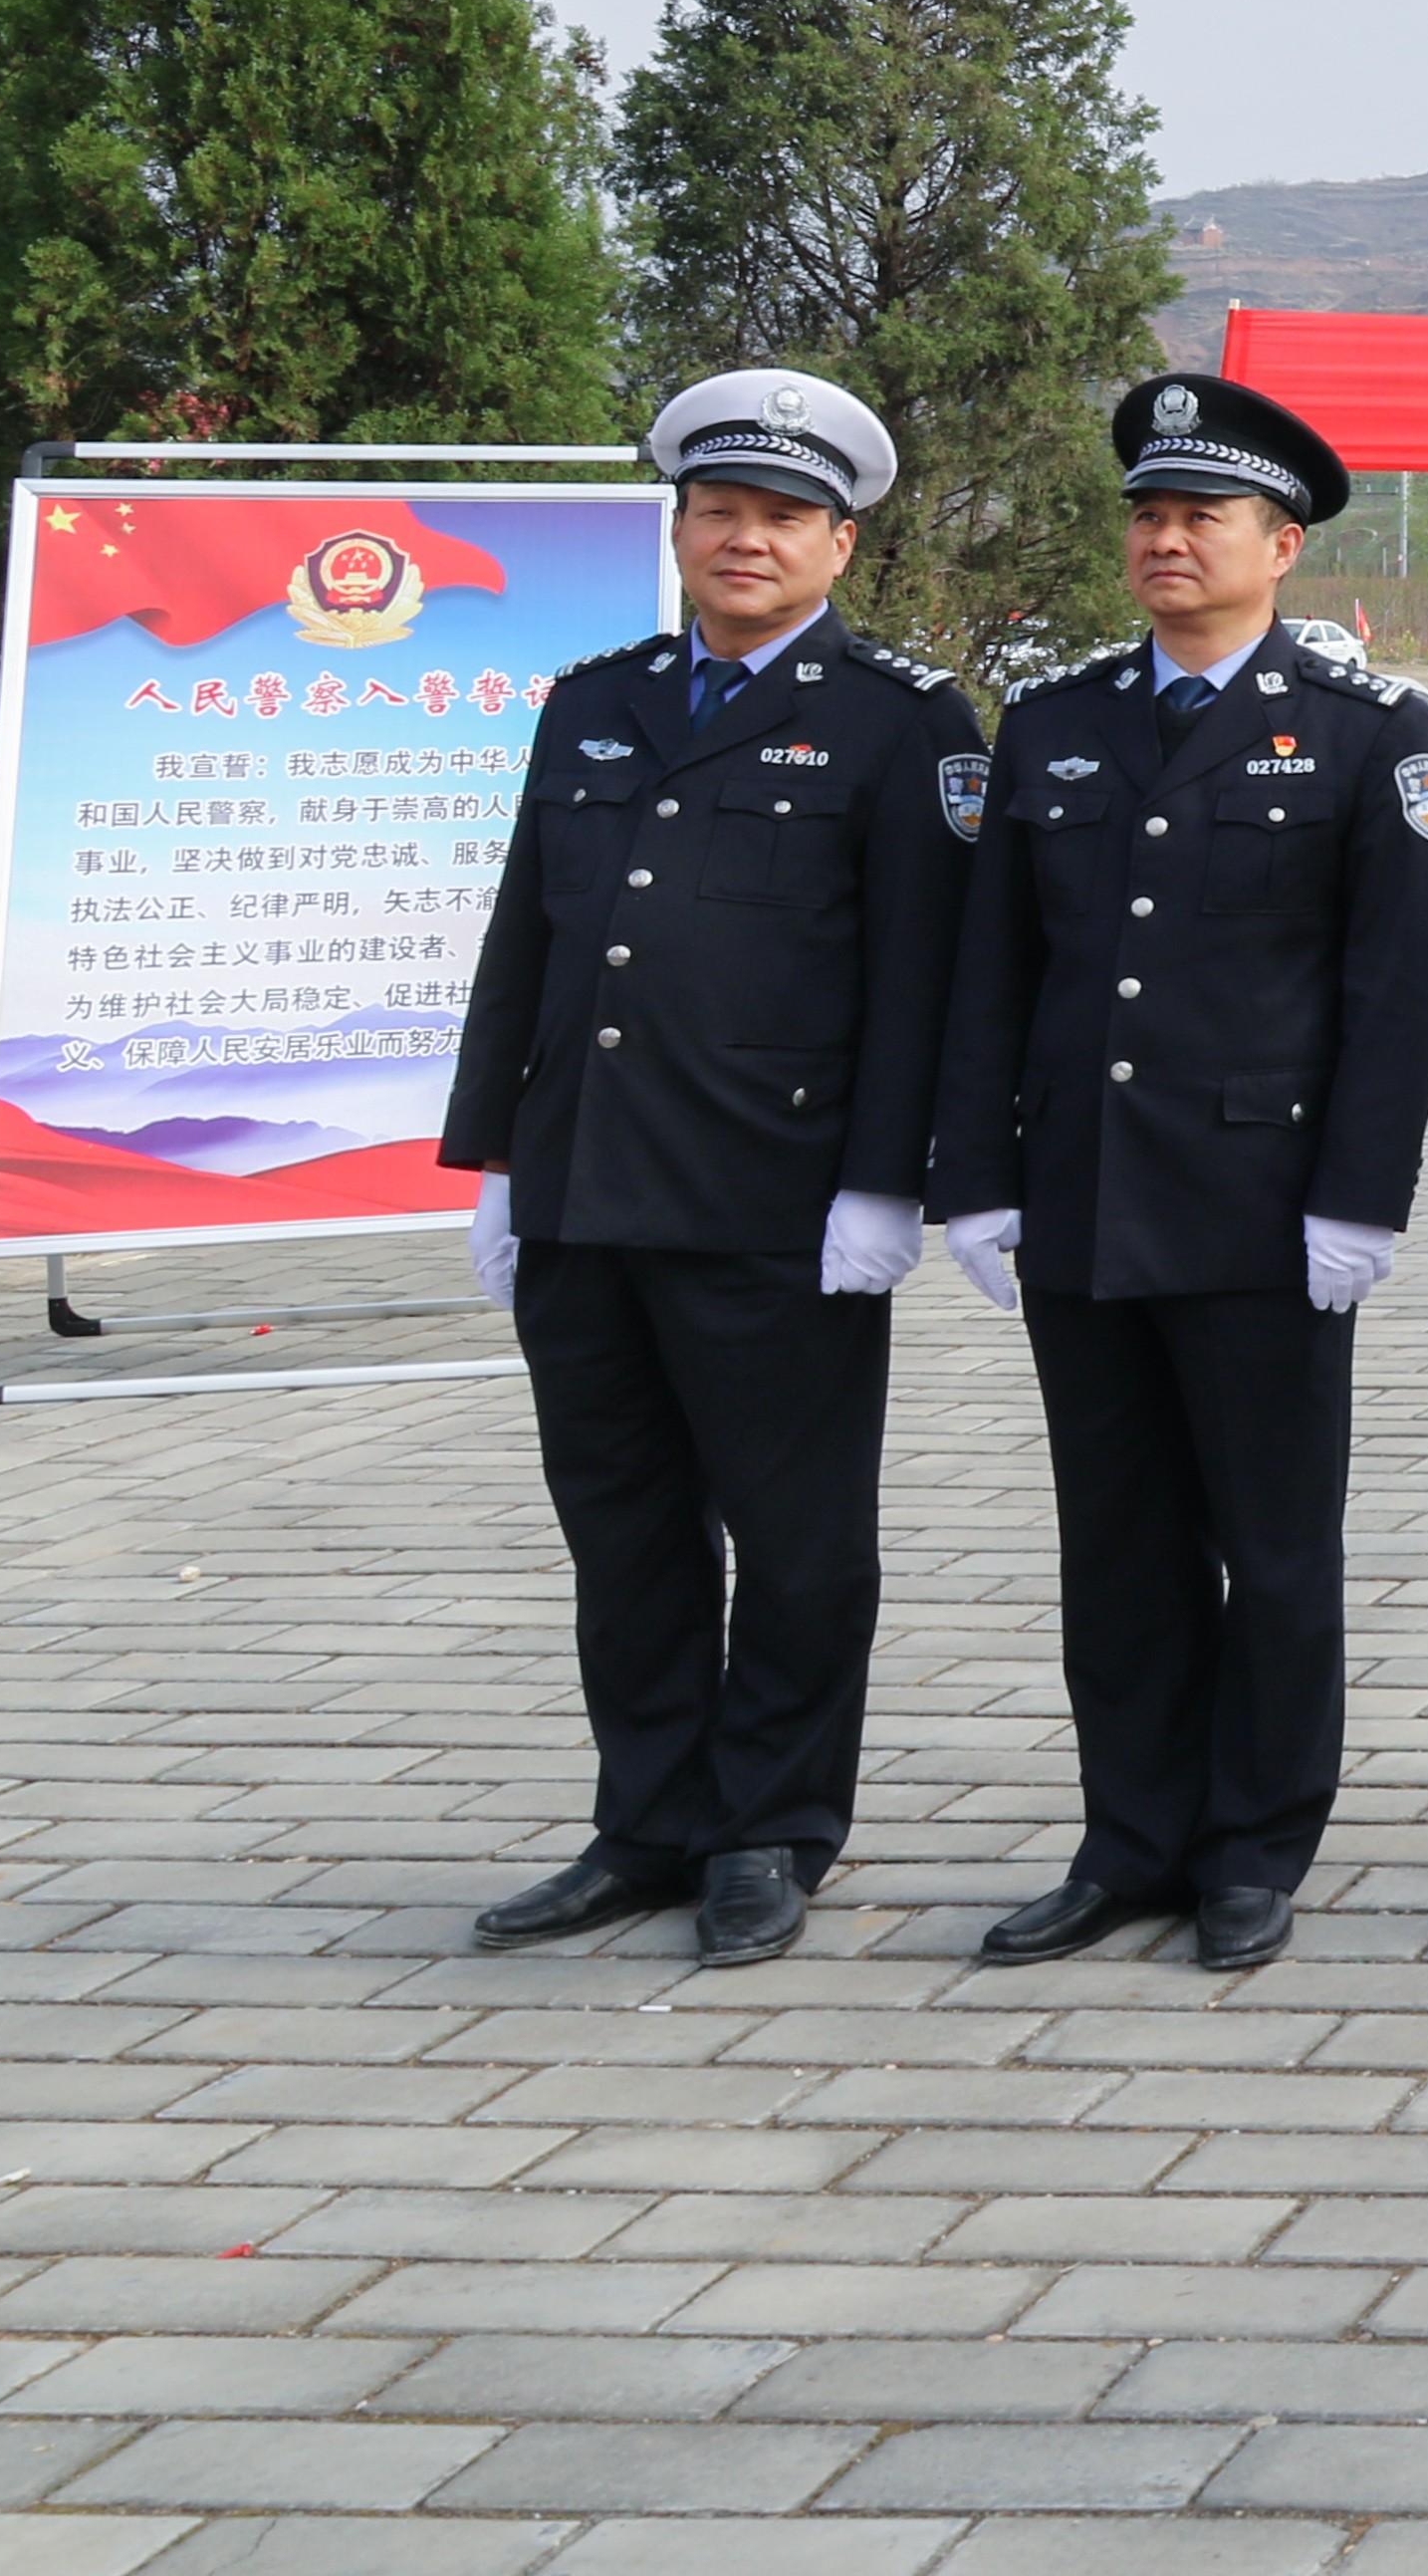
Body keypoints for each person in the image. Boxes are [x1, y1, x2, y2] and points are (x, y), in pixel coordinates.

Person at [437, 373, 980, 1970]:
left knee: (798, 1538)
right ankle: (648, 1817)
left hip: (775, 1203)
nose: (745, 540)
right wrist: (491, 1159)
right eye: (718, 512)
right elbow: (526, 940)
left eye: (782, 519)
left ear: (840, 545)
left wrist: (891, 1186)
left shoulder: (902, 723)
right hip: (585, 1190)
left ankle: (771, 1826)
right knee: (622, 1525)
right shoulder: (593, 701)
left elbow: (922, 981)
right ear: (678, 528)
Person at [931, 373, 1428, 1975]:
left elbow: (1395, 992)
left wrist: (1360, 1199)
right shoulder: (1061, 721)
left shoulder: (1371, 731)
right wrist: (977, 1172)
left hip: (1261, 1209)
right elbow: (992, 970)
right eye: (1148, 516)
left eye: (1201, 516)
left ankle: (1254, 1843)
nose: (1166, 541)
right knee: (1122, 1542)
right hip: (1085, 1200)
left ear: (1280, 545)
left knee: (1274, 1544)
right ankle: (1130, 1839)